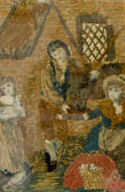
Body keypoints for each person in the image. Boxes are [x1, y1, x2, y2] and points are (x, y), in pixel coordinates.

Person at [84, 70, 125, 180]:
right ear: (106, 92)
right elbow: (89, 116)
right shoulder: (105, 106)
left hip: (119, 133)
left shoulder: (124, 106)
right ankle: (119, 170)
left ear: (121, 92)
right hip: (108, 136)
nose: (112, 93)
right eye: (110, 90)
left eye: (116, 90)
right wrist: (67, 116)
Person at [37, 39, 93, 170]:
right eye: (54, 53)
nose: (58, 55)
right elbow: (48, 90)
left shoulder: (73, 67)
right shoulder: (48, 70)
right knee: (48, 130)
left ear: (66, 50)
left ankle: (57, 153)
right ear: (51, 56)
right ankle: (51, 157)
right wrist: (61, 103)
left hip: (65, 103)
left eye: (60, 51)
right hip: (48, 103)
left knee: (62, 131)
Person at [0, 77, 29, 186]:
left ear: (13, 85)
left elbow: (23, 114)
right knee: (6, 147)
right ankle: (6, 167)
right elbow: (1, 116)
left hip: (15, 127)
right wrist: (13, 114)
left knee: (16, 145)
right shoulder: (1, 100)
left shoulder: (17, 99)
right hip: (4, 128)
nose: (6, 89)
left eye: (8, 85)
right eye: (3, 87)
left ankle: (17, 166)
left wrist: (17, 113)